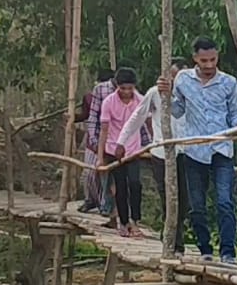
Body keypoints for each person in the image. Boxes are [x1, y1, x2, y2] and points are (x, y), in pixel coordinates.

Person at [157, 38, 237, 263]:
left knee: (224, 201)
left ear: (218, 57)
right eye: (203, 60)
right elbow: (177, 111)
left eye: (212, 59)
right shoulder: (183, 79)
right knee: (197, 205)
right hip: (194, 149)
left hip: (222, 148)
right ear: (195, 58)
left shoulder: (229, 82)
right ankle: (205, 249)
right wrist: (165, 94)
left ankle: (228, 252)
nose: (208, 65)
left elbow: (234, 113)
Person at [118, 62, 188, 250]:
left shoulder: (191, 94)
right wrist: (121, 141)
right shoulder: (154, 93)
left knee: (185, 199)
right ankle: (174, 242)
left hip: (186, 152)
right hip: (161, 153)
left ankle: (174, 234)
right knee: (168, 196)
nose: (174, 80)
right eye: (172, 76)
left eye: (179, 77)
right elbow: (137, 117)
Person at [99, 68, 146, 238]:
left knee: (135, 184)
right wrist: (100, 158)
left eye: (130, 88)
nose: (127, 92)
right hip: (113, 150)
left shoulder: (140, 101)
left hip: (133, 150)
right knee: (120, 187)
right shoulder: (108, 103)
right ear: (117, 86)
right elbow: (104, 131)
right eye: (123, 88)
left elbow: (147, 122)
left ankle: (135, 221)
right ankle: (124, 222)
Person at [77, 69, 115, 213]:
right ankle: (90, 200)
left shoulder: (119, 96)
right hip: (94, 140)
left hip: (112, 141)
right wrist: (72, 118)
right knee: (89, 173)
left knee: (107, 175)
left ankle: (104, 204)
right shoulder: (90, 97)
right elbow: (87, 116)